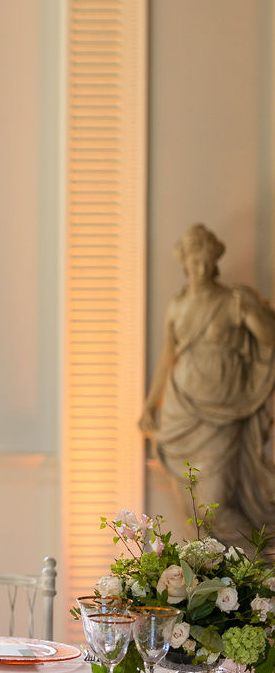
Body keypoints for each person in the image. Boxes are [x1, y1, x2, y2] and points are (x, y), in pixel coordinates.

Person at [140, 223, 275, 552]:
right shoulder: (177, 305)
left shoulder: (233, 299)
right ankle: (217, 582)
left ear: (214, 261)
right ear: (183, 261)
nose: (200, 269)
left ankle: (260, 565)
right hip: (180, 412)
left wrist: (253, 311)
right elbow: (167, 359)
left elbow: (269, 339)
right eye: (193, 261)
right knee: (195, 512)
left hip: (224, 412)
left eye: (206, 261)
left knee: (213, 506)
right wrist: (149, 404)